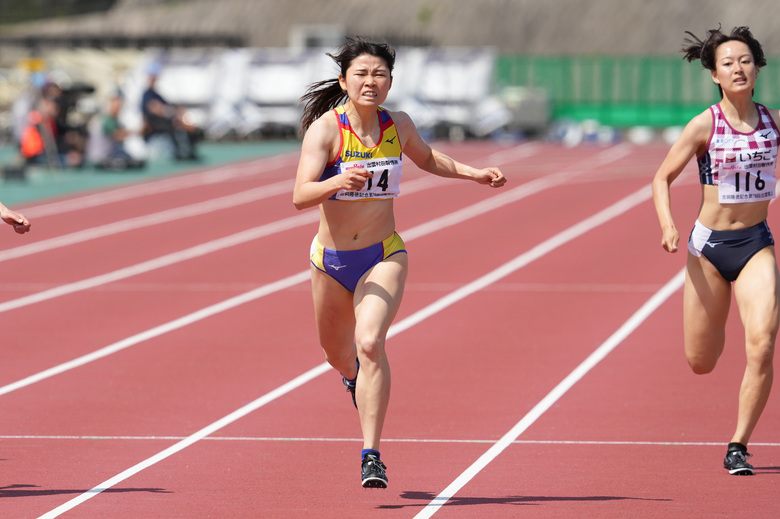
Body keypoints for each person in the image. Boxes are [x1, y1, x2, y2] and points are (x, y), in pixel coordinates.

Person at [293, 37, 506, 488]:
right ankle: (353, 379)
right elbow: (299, 195)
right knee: (337, 354)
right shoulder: (326, 131)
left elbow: (429, 159)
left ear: (390, 81)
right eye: (362, 74)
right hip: (329, 260)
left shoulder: (398, 124)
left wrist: (474, 173)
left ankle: (371, 455)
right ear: (344, 81)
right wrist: (336, 182)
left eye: (380, 74)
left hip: (383, 253)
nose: (371, 82)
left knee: (369, 342)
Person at [652, 26, 779, 476]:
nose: (738, 68)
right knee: (701, 362)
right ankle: (718, 322)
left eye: (745, 60)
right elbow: (661, 177)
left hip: (756, 245)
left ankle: (738, 445)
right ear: (714, 75)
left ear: (758, 68)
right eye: (728, 63)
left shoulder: (772, 121)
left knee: (763, 346)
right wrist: (668, 224)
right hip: (709, 249)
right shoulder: (706, 124)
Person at [140, 62, 200, 161]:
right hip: (155, 124)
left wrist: (179, 109)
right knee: (172, 126)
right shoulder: (147, 94)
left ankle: (189, 151)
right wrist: (170, 113)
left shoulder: (156, 94)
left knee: (189, 127)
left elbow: (167, 104)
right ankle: (178, 152)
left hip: (165, 120)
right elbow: (154, 108)